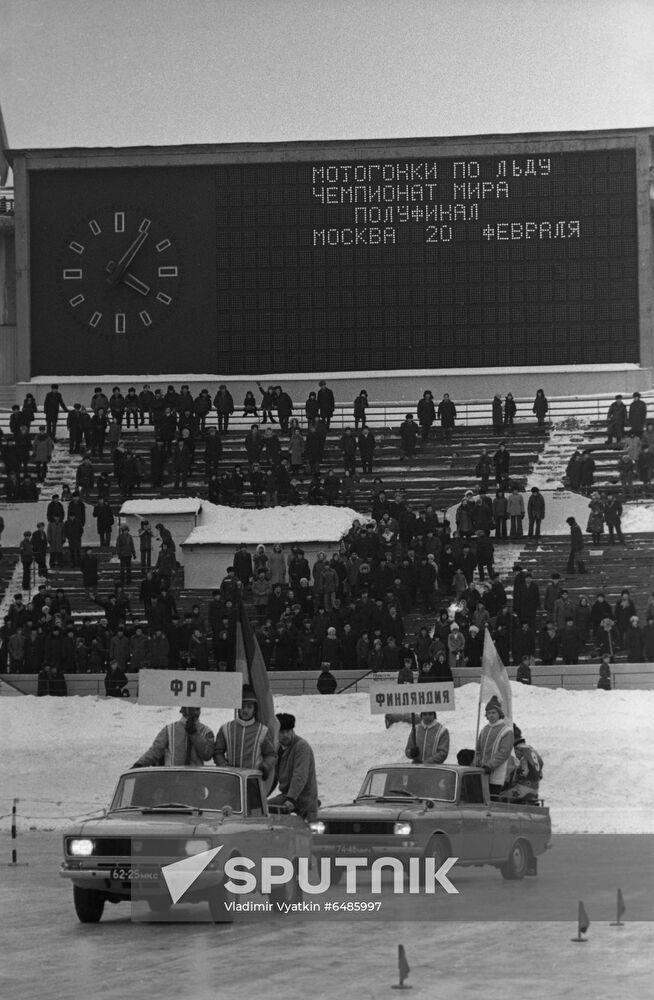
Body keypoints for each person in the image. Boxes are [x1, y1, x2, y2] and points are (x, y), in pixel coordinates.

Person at [213, 688, 276, 780]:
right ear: (237, 708)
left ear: (254, 709)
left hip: (253, 780)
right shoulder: (226, 728)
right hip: (231, 779)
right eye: (242, 706)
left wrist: (265, 766)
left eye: (249, 707)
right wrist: (224, 766)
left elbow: (271, 755)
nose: (245, 710)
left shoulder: (262, 730)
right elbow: (218, 752)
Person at [268, 712, 319, 821]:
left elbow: (299, 776)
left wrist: (291, 799)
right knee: (262, 809)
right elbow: (273, 777)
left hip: (303, 800)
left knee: (308, 832)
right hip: (287, 797)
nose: (286, 735)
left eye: (288, 731)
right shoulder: (277, 749)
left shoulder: (301, 746)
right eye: (282, 732)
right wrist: (262, 795)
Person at [132, 706, 214, 766]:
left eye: (197, 709)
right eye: (192, 709)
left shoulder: (206, 731)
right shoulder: (170, 729)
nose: (196, 713)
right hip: (173, 779)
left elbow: (207, 755)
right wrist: (140, 764)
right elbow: (156, 750)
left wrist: (195, 734)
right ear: (183, 710)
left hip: (196, 781)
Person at [475, 696, 514, 796]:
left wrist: (490, 765)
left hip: (497, 774)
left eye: (494, 712)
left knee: (493, 800)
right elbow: (478, 749)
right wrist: (478, 761)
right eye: (489, 713)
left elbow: (504, 753)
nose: (491, 715)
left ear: (499, 714)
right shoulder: (484, 730)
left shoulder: (506, 731)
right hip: (483, 772)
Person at [502, 725, 543, 803]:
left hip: (522, 789)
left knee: (498, 798)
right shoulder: (532, 750)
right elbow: (540, 775)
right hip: (534, 790)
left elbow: (523, 773)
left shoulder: (521, 753)